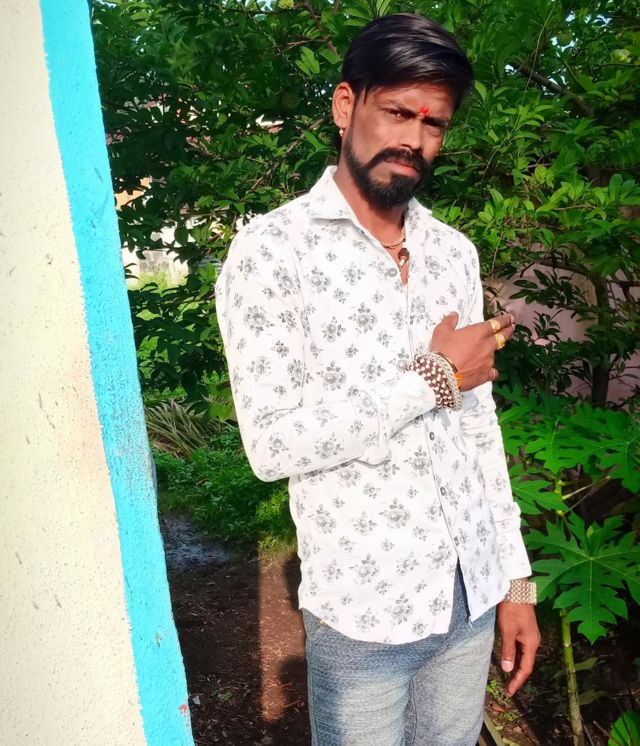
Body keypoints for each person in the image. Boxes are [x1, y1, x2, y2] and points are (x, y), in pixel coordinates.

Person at [216, 13, 540, 746]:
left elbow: (479, 430)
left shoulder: (452, 252)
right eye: (397, 112)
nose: (415, 139)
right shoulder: (272, 253)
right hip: (365, 614)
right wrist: (435, 374)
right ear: (345, 104)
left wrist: (515, 583)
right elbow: (272, 444)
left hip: (470, 595)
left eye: (434, 123)